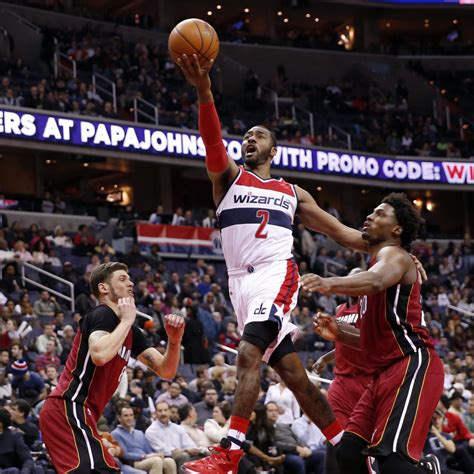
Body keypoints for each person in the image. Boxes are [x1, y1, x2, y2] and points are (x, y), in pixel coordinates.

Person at [178, 53, 376, 473]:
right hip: (239, 285)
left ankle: (230, 451)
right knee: (296, 378)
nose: (250, 140)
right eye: (246, 136)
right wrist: (204, 92)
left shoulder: (292, 193)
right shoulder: (229, 178)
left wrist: (394, 249)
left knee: (248, 353)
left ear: (273, 148)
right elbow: (212, 141)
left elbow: (344, 234)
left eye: (259, 136)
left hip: (275, 274)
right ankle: (351, 453)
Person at [302, 193, 444, 474]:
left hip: (411, 364)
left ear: (397, 230)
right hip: (383, 373)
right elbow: (336, 230)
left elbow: (377, 280)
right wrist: (340, 334)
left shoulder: (395, 255)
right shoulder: (378, 258)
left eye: (380, 214)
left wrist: (329, 283)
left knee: (394, 462)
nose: (369, 216)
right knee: (348, 452)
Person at [39, 262, 184, 473]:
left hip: (82, 413)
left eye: (130, 278)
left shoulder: (131, 332)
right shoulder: (102, 314)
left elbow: (166, 371)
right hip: (68, 406)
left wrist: (174, 340)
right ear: (104, 288)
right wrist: (127, 320)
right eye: (122, 279)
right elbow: (99, 355)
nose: (131, 283)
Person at [312, 268, 375, 474]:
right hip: (341, 382)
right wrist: (325, 358)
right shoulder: (339, 310)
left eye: (358, 278)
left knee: (361, 441)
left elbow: (366, 341)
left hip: (366, 381)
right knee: (335, 435)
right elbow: (342, 343)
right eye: (351, 278)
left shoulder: (371, 310)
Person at [112, 405, 177, 474]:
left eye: (131, 415)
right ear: (119, 418)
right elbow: (124, 455)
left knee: (169, 461)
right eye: (126, 416)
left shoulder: (139, 433)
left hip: (146, 459)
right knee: (156, 461)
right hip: (132, 462)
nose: (129, 418)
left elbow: (148, 451)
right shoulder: (116, 433)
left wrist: (156, 454)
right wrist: (144, 456)